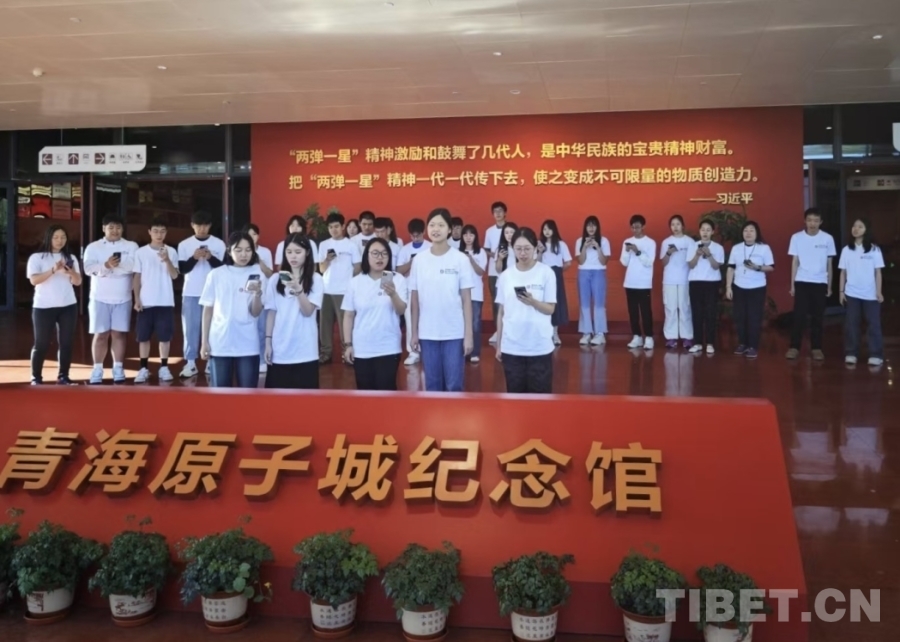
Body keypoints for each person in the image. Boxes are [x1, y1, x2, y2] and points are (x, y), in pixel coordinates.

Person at [409, 208, 475, 392]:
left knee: (454, 385)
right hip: (427, 333)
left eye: (440, 225)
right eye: (432, 225)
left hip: (454, 332)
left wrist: (468, 335)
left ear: (449, 229)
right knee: (432, 385)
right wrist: (414, 332)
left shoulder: (460, 259)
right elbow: (414, 300)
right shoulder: (419, 260)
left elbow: (466, 300)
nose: (436, 229)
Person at [200, 231, 265, 388]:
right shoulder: (216, 274)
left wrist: (257, 295)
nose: (244, 254)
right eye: (238, 250)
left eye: (248, 250)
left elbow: (255, 312)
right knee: (221, 395)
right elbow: (208, 310)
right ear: (229, 251)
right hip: (220, 342)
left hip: (248, 343)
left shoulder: (257, 273)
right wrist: (204, 342)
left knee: (249, 394)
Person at [495, 228, 557, 394]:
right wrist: (499, 345)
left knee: (540, 399)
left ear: (535, 247)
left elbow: (550, 309)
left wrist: (533, 302)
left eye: (527, 249)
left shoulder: (546, 273)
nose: (523, 253)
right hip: (512, 347)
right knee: (515, 398)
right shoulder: (506, 276)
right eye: (518, 249)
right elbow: (501, 312)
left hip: (539, 347)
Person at [342, 238, 408, 390]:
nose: (380, 257)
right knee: (365, 394)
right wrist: (348, 345)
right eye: (375, 253)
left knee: (386, 392)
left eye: (384, 254)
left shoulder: (397, 279)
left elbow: (401, 310)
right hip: (362, 348)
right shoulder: (355, 282)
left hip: (388, 347)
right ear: (367, 256)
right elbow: (348, 315)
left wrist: (393, 294)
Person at [83, 213, 139, 384]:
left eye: (118, 227)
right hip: (99, 297)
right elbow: (88, 269)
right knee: (100, 334)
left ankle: (118, 367)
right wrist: (106, 266)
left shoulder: (131, 246)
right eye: (111, 227)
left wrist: (113, 268)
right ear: (104, 228)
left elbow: (134, 267)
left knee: (119, 334)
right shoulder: (93, 247)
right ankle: (97, 369)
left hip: (123, 297)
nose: (115, 231)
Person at [264, 233, 324, 389]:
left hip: (306, 351)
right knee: (277, 399)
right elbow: (271, 313)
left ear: (307, 253)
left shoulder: (316, 279)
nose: (293, 256)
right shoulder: (275, 280)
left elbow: (308, 311)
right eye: (289, 252)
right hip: (280, 350)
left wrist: (298, 290)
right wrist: (268, 342)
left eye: (298, 252)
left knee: (305, 400)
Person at [27, 224, 82, 385]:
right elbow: (34, 280)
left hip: (68, 305)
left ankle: (63, 375)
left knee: (66, 343)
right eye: (56, 237)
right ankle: (36, 377)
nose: (60, 241)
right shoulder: (37, 257)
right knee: (41, 343)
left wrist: (71, 272)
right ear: (48, 238)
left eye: (63, 237)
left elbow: (77, 282)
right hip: (43, 306)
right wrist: (53, 270)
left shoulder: (70, 257)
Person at [177, 210, 226, 379]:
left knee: (213, 328)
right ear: (192, 225)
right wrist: (194, 258)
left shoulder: (219, 244)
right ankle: (190, 363)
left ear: (210, 226)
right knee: (190, 328)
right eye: (198, 225)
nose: (202, 229)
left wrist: (210, 257)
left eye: (205, 225)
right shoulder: (184, 244)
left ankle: (210, 361)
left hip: (214, 292)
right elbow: (182, 269)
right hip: (191, 292)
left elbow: (224, 269)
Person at [132, 217, 179, 384]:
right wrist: (137, 299)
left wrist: (167, 260)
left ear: (166, 233)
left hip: (165, 301)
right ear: (149, 232)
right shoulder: (141, 252)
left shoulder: (171, 251)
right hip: (146, 301)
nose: (159, 234)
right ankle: (143, 368)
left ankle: (164, 367)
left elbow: (174, 275)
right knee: (143, 337)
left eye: (162, 231)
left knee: (165, 337)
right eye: (156, 231)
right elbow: (137, 277)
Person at [787, 207, 836, 360]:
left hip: (820, 282)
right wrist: (792, 285)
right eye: (809, 220)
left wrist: (829, 285)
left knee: (818, 317)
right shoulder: (796, 238)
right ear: (805, 221)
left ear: (821, 222)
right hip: (802, 281)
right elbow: (794, 262)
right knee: (799, 316)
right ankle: (794, 347)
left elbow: (829, 264)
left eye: (816, 220)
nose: (812, 223)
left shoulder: (827, 238)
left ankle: (816, 348)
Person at [726, 221, 775, 359]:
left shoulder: (764, 248)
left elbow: (771, 267)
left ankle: (753, 346)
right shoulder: (736, 248)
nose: (748, 233)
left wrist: (757, 267)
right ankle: (742, 343)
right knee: (740, 316)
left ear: (757, 233)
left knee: (754, 317)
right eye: (745, 230)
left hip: (757, 287)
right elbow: (731, 268)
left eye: (751, 230)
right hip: (739, 286)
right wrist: (728, 286)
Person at [839, 218, 884, 366]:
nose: (856, 229)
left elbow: (878, 272)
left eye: (860, 226)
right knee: (851, 324)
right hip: (852, 293)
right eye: (854, 226)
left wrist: (879, 292)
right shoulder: (846, 250)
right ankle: (851, 352)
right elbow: (843, 273)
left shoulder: (874, 249)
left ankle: (876, 354)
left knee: (874, 324)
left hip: (871, 294)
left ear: (866, 230)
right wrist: (841, 292)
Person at [318, 212, 362, 364]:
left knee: (345, 324)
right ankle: (326, 353)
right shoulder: (324, 245)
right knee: (325, 324)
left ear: (343, 226)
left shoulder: (351, 245)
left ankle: (346, 353)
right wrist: (327, 260)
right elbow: (321, 269)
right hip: (326, 290)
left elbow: (357, 267)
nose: (334, 230)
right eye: (330, 227)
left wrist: (350, 283)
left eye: (336, 226)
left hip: (344, 290)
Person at [686, 220, 724, 355]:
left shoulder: (718, 248)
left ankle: (710, 343)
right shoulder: (693, 245)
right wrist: (697, 255)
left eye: (708, 230)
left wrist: (709, 255)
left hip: (711, 283)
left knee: (710, 313)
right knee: (696, 313)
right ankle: (697, 343)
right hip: (695, 282)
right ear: (699, 231)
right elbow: (690, 265)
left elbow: (716, 266)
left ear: (712, 232)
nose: (705, 232)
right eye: (703, 229)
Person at [396, 218, 431, 365]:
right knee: (411, 320)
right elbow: (399, 270)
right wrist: (412, 262)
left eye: (418, 235)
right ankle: (413, 351)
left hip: (428, 289)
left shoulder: (430, 247)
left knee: (428, 319)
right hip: (410, 289)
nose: (415, 238)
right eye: (412, 236)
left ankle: (428, 350)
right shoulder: (405, 249)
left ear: (424, 232)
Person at [620, 214, 656, 350]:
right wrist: (627, 252)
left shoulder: (650, 242)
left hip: (644, 283)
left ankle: (649, 337)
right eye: (633, 227)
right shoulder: (627, 241)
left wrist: (638, 252)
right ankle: (637, 336)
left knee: (646, 311)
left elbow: (649, 262)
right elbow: (624, 262)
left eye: (638, 227)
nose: (635, 230)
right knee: (633, 312)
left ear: (643, 226)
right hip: (630, 282)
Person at [574, 215, 610, 346]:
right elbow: (580, 261)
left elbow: (604, 261)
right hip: (583, 272)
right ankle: (586, 332)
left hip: (598, 272)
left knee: (599, 303)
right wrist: (584, 247)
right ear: (585, 227)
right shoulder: (579, 241)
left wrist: (597, 247)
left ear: (597, 227)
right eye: (588, 225)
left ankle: (600, 333)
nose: (591, 228)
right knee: (584, 303)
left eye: (593, 225)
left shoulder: (604, 241)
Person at [660, 214, 694, 349]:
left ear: (683, 226)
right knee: (670, 309)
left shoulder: (689, 242)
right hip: (669, 280)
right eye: (673, 224)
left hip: (685, 279)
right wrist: (668, 253)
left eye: (678, 224)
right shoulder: (666, 242)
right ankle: (671, 337)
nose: (675, 227)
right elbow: (663, 262)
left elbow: (692, 262)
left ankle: (687, 337)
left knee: (685, 308)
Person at [244, 223, 273, 373]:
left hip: (262, 296)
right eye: (249, 234)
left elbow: (270, 274)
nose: (252, 237)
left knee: (262, 329)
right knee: (246, 328)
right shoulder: (242, 253)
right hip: (244, 296)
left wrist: (259, 261)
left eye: (254, 234)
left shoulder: (265, 252)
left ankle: (262, 359)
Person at [538, 219, 572, 346]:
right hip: (542, 275)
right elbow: (537, 263)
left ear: (554, 230)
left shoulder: (561, 244)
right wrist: (540, 251)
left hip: (556, 274)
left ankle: (555, 333)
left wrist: (558, 271)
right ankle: (544, 333)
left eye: (549, 229)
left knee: (556, 302)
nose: (547, 232)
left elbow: (568, 262)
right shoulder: (539, 244)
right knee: (542, 302)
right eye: (544, 229)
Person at [459, 224, 488, 363]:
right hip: (460, 293)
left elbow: (480, 272)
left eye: (471, 234)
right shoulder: (457, 253)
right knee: (461, 322)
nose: (468, 237)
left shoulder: (480, 252)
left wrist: (470, 259)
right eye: (465, 234)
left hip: (476, 293)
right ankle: (462, 350)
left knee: (475, 323)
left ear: (475, 236)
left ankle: (475, 352)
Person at [483, 201, 507, 344]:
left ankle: (508, 329)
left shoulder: (511, 229)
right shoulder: (489, 231)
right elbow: (486, 250)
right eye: (495, 211)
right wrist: (495, 255)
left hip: (509, 270)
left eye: (500, 211)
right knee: (496, 301)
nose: (498, 214)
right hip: (493, 271)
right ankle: (498, 330)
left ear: (505, 213)